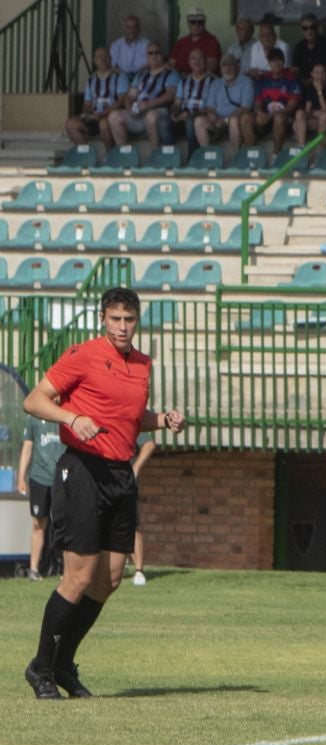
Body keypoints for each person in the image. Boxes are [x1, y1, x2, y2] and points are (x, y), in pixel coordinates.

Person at [22, 287, 187, 700]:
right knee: (78, 577)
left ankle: (63, 663)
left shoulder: (143, 364)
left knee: (110, 579)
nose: (122, 326)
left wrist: (162, 419)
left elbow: (131, 417)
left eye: (129, 319)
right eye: (115, 318)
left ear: (138, 320)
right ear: (102, 319)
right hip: (81, 470)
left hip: (119, 473)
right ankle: (41, 666)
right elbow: (34, 400)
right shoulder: (83, 354)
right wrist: (71, 417)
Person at [15, 406, 64, 580]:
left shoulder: (66, 415)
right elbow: (27, 448)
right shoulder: (34, 418)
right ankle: (33, 569)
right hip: (39, 478)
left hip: (62, 478)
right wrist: (21, 477)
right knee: (38, 523)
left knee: (64, 523)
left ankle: (66, 569)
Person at [110, 44, 180, 148]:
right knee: (114, 116)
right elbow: (130, 95)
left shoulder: (171, 73)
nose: (154, 56)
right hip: (139, 113)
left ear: (163, 55)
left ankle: (155, 155)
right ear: (146, 56)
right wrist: (129, 109)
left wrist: (149, 104)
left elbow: (170, 95)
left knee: (151, 116)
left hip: (160, 111)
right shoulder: (142, 73)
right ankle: (123, 154)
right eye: (150, 53)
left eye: (157, 52)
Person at [67, 48, 128, 151]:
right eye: (99, 56)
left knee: (103, 124)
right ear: (94, 61)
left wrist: (106, 112)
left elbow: (121, 100)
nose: (103, 59)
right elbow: (87, 104)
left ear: (111, 58)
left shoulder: (120, 76)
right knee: (70, 124)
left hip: (110, 116)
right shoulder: (91, 79)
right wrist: (90, 112)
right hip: (94, 116)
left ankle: (111, 156)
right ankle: (87, 154)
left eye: (105, 56)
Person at [197, 54, 256, 153]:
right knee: (198, 121)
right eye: (224, 65)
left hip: (235, 120)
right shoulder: (216, 84)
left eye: (231, 65)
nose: (228, 68)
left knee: (232, 120)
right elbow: (210, 107)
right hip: (218, 121)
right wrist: (213, 116)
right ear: (220, 68)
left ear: (237, 67)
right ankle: (207, 155)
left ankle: (236, 155)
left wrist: (225, 120)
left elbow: (245, 108)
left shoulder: (246, 82)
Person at [250, 49, 301, 150]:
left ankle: (275, 155)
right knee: (245, 118)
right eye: (273, 61)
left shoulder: (291, 79)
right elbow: (258, 102)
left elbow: (291, 107)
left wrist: (271, 115)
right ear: (268, 62)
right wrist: (259, 113)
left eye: (279, 60)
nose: (276, 64)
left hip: (286, 119)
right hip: (266, 117)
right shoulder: (263, 79)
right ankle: (252, 154)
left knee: (279, 117)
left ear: (283, 61)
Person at [128, 432, 156, 585]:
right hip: (98, 480)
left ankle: (139, 571)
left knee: (132, 525)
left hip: (124, 480)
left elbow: (149, 443)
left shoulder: (127, 415)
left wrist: (136, 468)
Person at [170, 48, 215, 143]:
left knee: (190, 120)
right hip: (182, 118)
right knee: (164, 122)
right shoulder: (183, 81)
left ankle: (192, 154)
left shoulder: (213, 81)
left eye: (200, 58)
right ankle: (168, 155)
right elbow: (177, 103)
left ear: (206, 61)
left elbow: (211, 108)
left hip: (200, 117)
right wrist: (175, 113)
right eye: (194, 58)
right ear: (189, 62)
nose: (197, 61)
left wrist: (191, 114)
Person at [290, 15, 326, 82]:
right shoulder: (299, 46)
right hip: (303, 85)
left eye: (312, 27)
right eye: (305, 28)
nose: (309, 31)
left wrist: (311, 81)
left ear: (317, 28)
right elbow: (294, 70)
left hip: (324, 84)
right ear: (301, 29)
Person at [172, 8, 220, 75]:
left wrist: (190, 77)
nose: (196, 25)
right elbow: (171, 64)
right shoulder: (181, 41)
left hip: (200, 80)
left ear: (204, 23)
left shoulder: (212, 41)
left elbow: (211, 66)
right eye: (193, 22)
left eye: (200, 22)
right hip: (178, 79)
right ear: (188, 23)